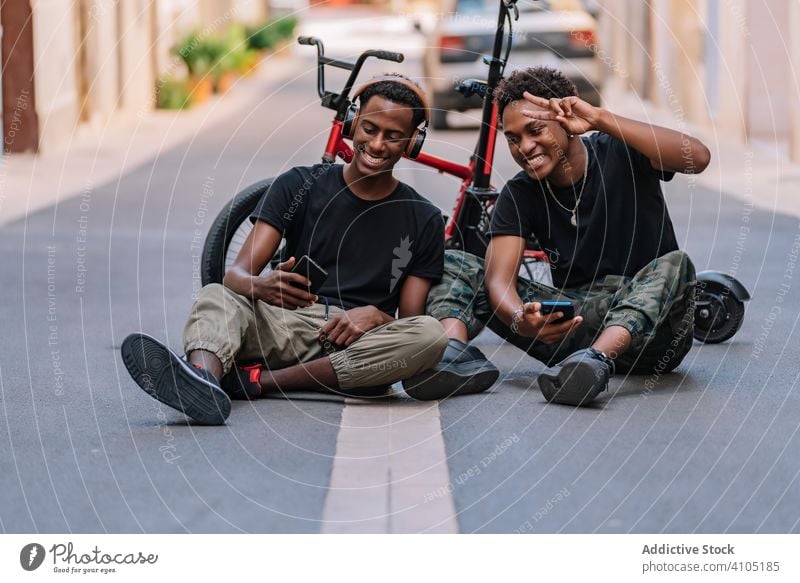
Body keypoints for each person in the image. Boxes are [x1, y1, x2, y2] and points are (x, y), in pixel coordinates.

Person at [120, 74, 455, 425]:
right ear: (353, 124)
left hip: (359, 342)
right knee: (217, 295)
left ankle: (256, 381)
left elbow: (412, 319)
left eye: (393, 135)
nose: (377, 144)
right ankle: (201, 380)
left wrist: (375, 316)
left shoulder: (425, 218)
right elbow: (236, 275)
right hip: (283, 324)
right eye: (369, 129)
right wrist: (260, 286)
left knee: (430, 334)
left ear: (412, 143)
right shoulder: (299, 184)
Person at [417, 66, 709, 406]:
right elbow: (499, 281)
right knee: (454, 262)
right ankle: (454, 358)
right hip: (573, 326)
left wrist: (600, 118)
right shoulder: (519, 194)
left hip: (651, 333)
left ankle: (595, 363)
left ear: (566, 119)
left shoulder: (620, 151)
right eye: (512, 138)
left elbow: (698, 157)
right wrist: (520, 320)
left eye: (535, 129)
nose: (524, 146)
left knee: (675, 264)